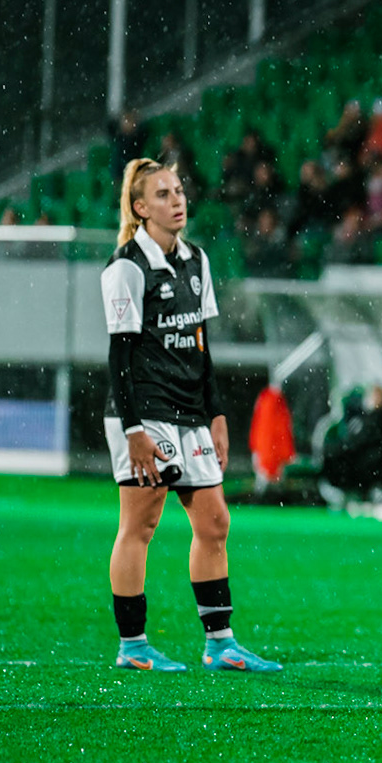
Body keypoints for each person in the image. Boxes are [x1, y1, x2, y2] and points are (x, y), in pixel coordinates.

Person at [100, 158, 280, 674]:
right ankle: (133, 646)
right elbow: (119, 356)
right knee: (141, 523)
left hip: (189, 411)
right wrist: (134, 430)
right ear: (140, 208)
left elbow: (201, 345)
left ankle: (220, 643)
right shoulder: (127, 267)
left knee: (216, 522)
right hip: (145, 410)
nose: (176, 200)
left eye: (178, 190)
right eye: (162, 194)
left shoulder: (196, 260)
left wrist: (216, 413)